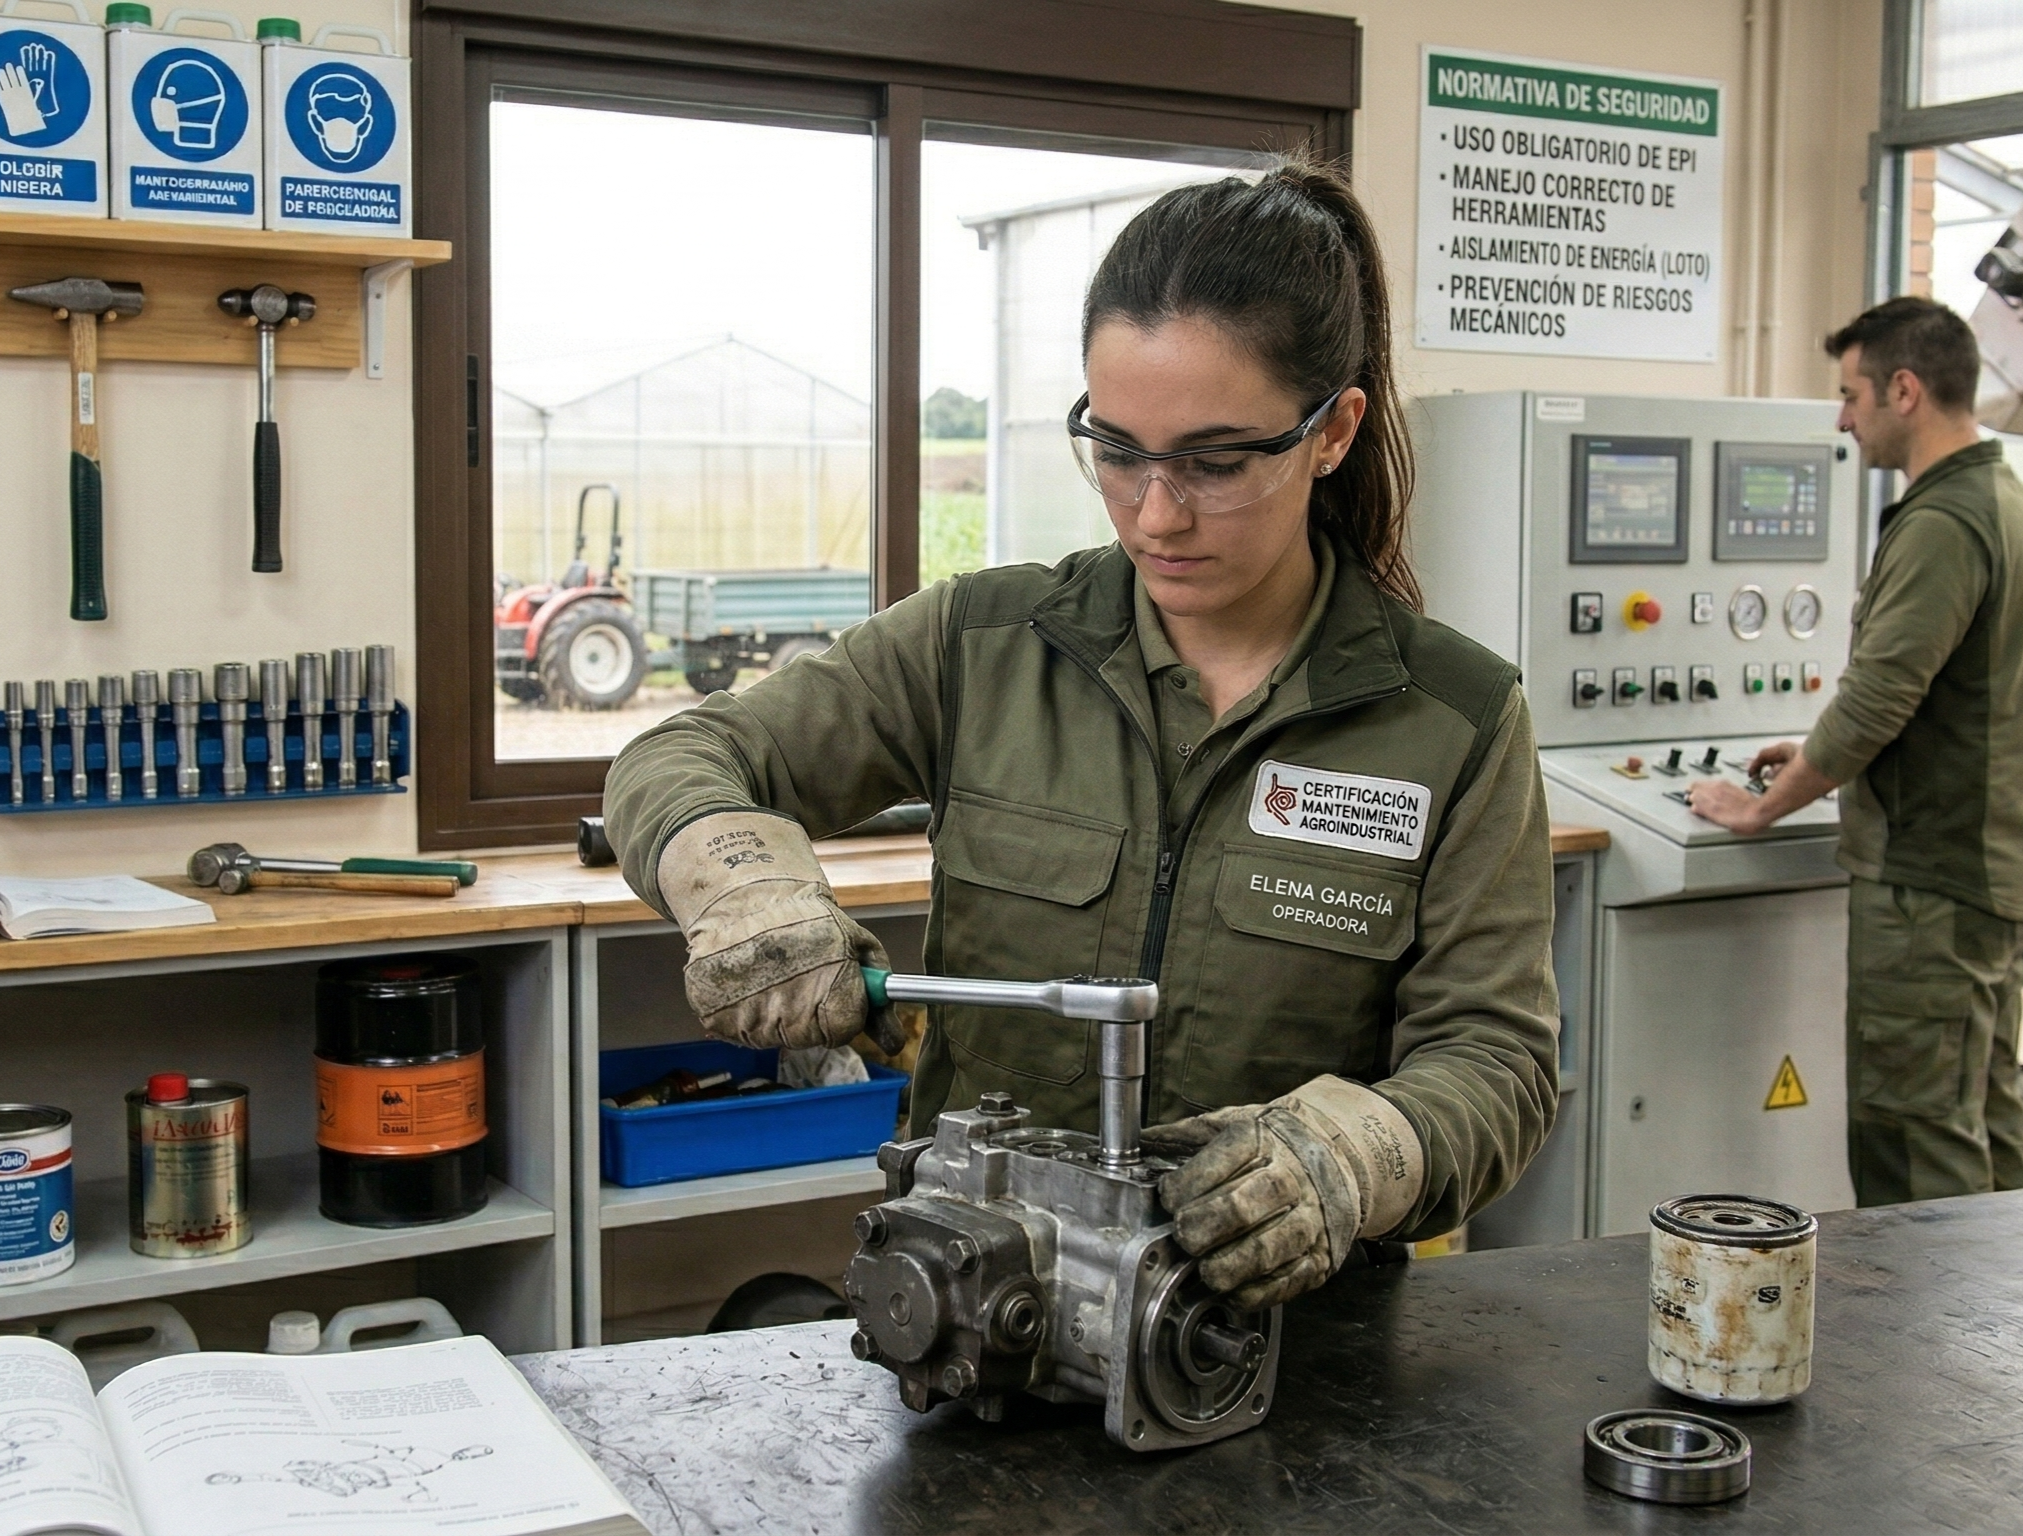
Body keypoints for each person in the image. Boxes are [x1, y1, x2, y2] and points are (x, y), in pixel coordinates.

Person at [604, 156, 1558, 1309]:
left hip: (1284, 1355)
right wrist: (740, 881)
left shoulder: (1450, 722)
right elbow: (679, 759)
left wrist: (1356, 1154)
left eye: (1215, 462)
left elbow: (1497, 1065)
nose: (1157, 513)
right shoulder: (982, 644)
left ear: (1335, 430)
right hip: (973, 1312)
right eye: (1116, 450)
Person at [1687, 296, 2023, 1207]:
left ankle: (1927, 1348)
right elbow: (1928, 694)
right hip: (1982, 873)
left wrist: (1762, 805)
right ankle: (2008, 1339)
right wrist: (1811, 752)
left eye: (1852, 394)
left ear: (1905, 389)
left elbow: (1879, 697)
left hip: (1932, 886)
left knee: (1911, 1141)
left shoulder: (1944, 522)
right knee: (1982, 1121)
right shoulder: (2002, 501)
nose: (1843, 418)